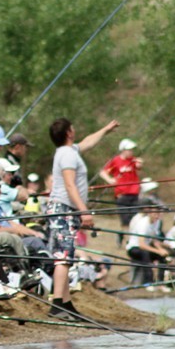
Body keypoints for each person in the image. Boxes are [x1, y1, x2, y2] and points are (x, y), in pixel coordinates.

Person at [44, 117, 119, 320]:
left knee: (66, 256)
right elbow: (70, 185)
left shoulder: (69, 151)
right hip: (64, 209)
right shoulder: (67, 155)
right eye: (73, 127)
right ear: (69, 132)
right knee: (63, 257)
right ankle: (57, 305)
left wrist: (105, 128)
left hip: (65, 209)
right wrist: (84, 211)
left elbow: (87, 142)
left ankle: (66, 304)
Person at [125, 198, 172, 289]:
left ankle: (161, 283)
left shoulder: (157, 222)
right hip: (134, 248)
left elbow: (154, 240)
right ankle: (148, 283)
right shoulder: (143, 224)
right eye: (155, 214)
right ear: (149, 213)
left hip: (145, 247)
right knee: (145, 254)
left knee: (163, 256)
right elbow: (142, 245)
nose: (157, 216)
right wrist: (158, 251)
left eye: (158, 214)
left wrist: (161, 249)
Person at [100, 138, 143, 231]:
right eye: (129, 150)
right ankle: (124, 238)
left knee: (135, 218)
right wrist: (110, 180)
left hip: (134, 193)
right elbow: (103, 172)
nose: (131, 152)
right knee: (125, 220)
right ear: (123, 150)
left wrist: (139, 164)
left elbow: (138, 167)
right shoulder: (115, 160)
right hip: (122, 194)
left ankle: (131, 240)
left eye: (132, 150)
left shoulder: (133, 160)